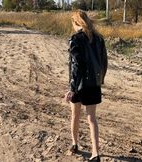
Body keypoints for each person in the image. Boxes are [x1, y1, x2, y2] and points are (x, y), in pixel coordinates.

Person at [64, 9, 108, 162]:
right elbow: (104, 62)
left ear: (76, 22)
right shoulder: (99, 38)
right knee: (92, 119)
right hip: (93, 84)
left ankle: (75, 144)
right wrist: (100, 80)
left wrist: (72, 88)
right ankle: (96, 153)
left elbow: (77, 65)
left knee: (75, 115)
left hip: (79, 83)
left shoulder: (75, 39)